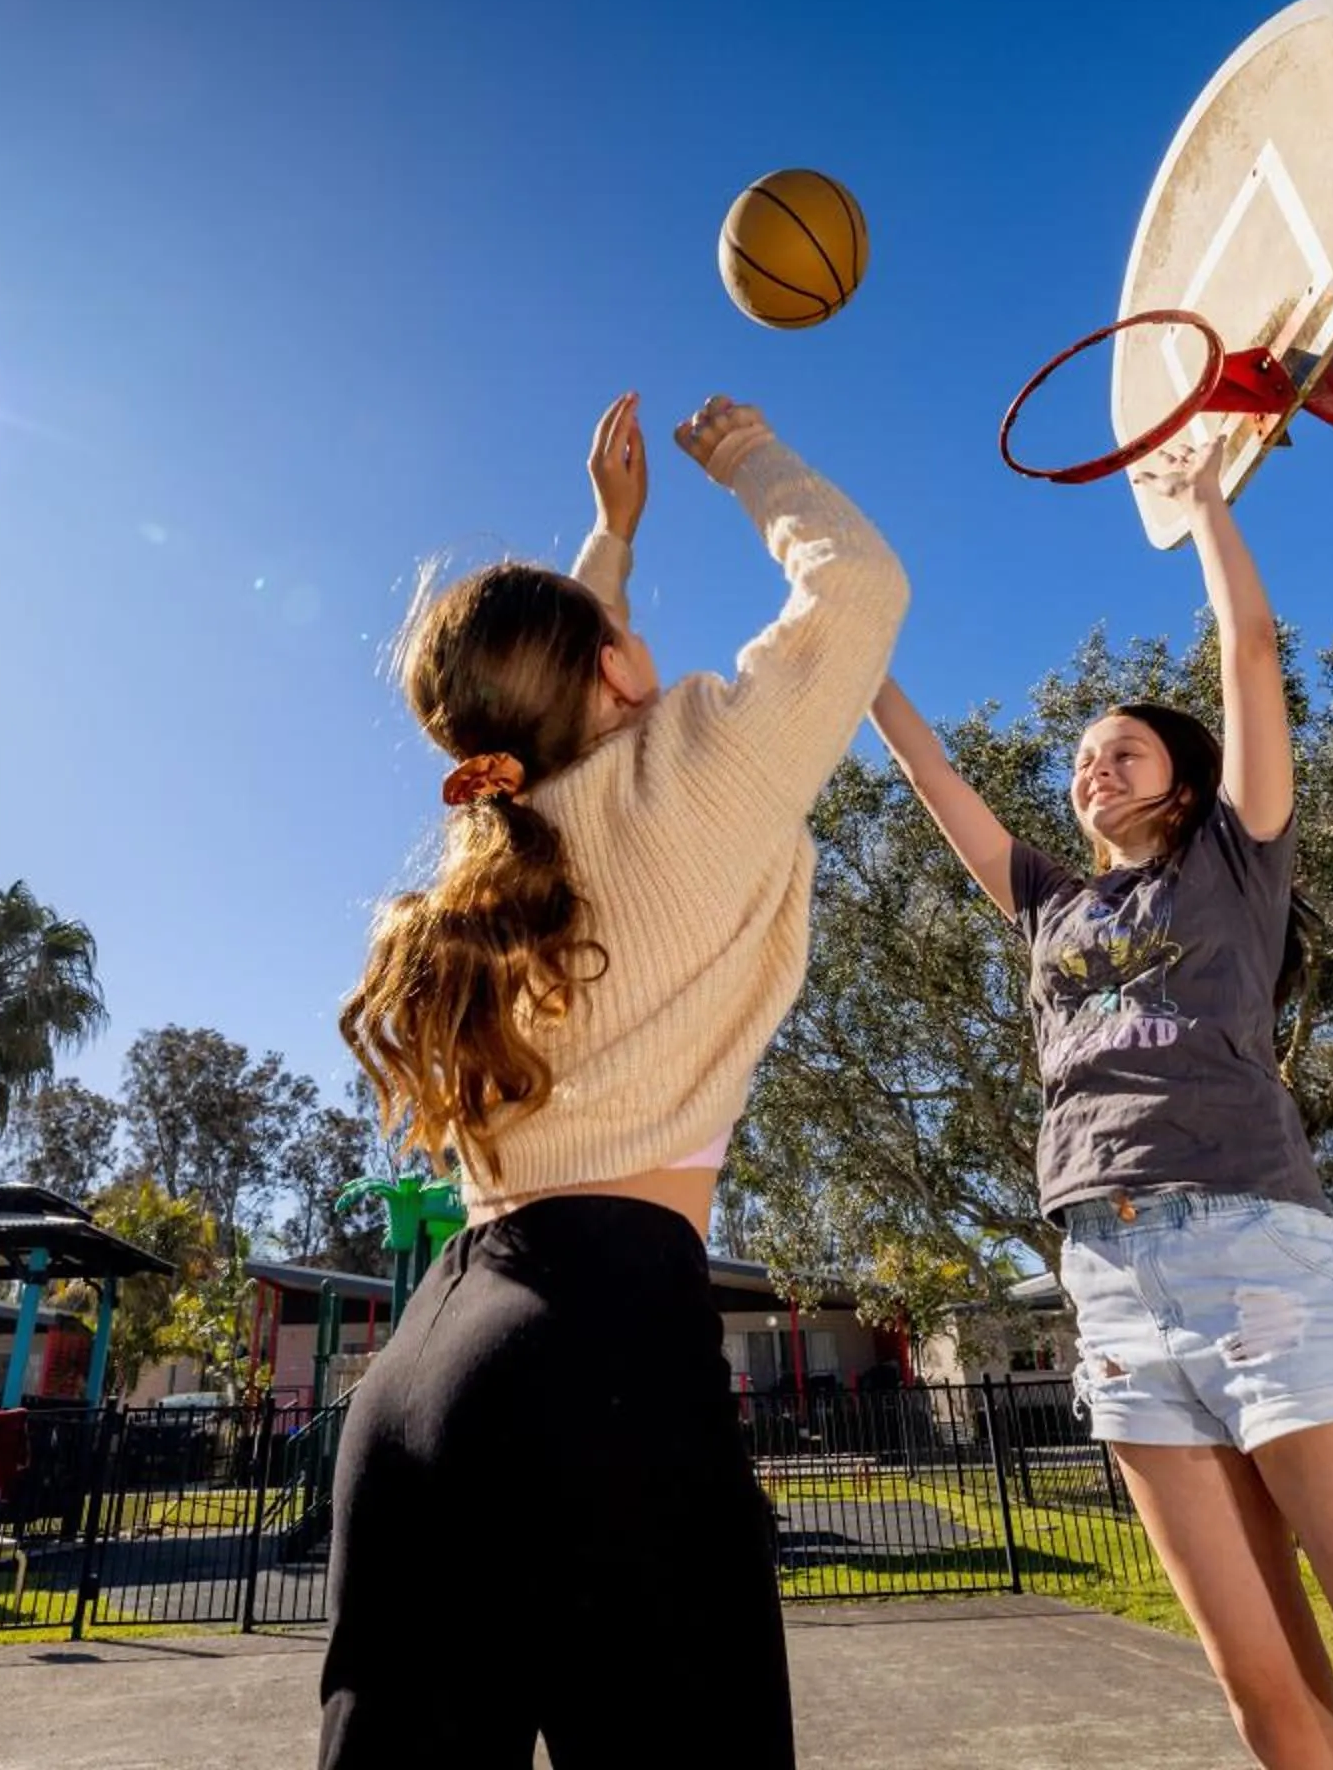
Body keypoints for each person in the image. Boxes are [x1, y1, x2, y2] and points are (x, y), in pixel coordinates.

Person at [865, 435, 1333, 1770]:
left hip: (1256, 1262)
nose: (1093, 771)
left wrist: (1208, 507)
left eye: (1121, 752)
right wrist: (857, 662)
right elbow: (935, 780)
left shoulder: (1234, 859)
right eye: (1081, 761)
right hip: (1109, 1288)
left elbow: (1250, 655)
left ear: (1183, 775)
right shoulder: (1052, 904)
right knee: (1267, 1702)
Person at [322, 391, 907, 1770]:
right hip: (604, 1358)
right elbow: (859, 586)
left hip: (424, 1374)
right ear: (617, 669)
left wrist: (611, 539)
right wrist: (747, 458)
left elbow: (563, 702)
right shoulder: (696, 775)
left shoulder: (494, 863)